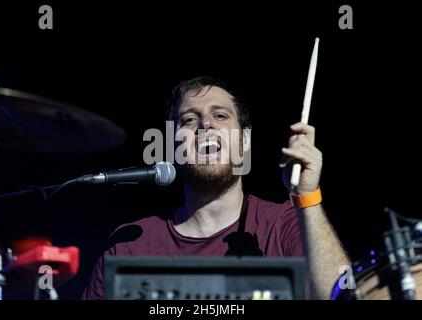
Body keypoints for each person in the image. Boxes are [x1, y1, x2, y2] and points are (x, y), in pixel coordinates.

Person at [82, 76, 349, 300]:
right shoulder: (129, 243)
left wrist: (306, 197)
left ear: (244, 141)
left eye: (220, 115)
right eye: (188, 120)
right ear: (172, 145)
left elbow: (342, 296)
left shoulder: (285, 225)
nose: (205, 124)